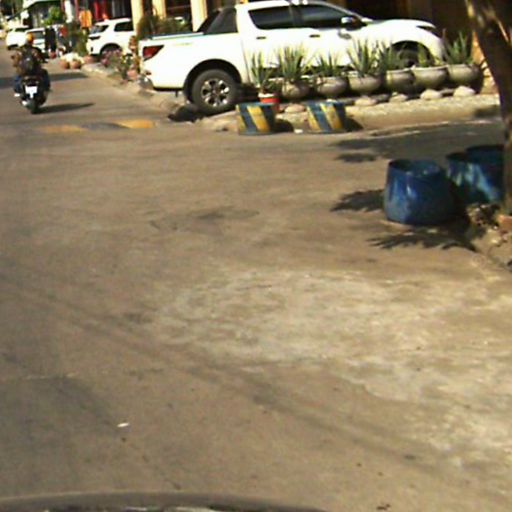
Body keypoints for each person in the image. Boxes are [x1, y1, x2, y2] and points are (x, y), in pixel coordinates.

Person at [12, 33, 51, 97]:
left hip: (22, 72)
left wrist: (16, 64)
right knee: (45, 73)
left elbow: (15, 63)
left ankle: (17, 91)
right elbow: (41, 58)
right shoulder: (35, 50)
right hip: (35, 71)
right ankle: (47, 88)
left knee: (16, 78)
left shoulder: (19, 51)